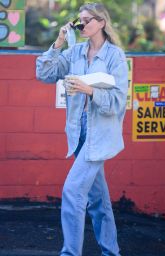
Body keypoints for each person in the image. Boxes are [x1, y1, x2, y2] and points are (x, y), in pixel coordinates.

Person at [36, 2, 128, 256]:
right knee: (98, 201)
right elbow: (44, 73)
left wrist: (90, 90)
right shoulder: (74, 52)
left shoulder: (114, 56)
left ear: (101, 23)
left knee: (73, 192)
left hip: (100, 134)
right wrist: (58, 42)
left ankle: (70, 253)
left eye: (87, 20)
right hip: (79, 132)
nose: (81, 25)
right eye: (79, 20)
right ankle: (111, 252)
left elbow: (119, 102)